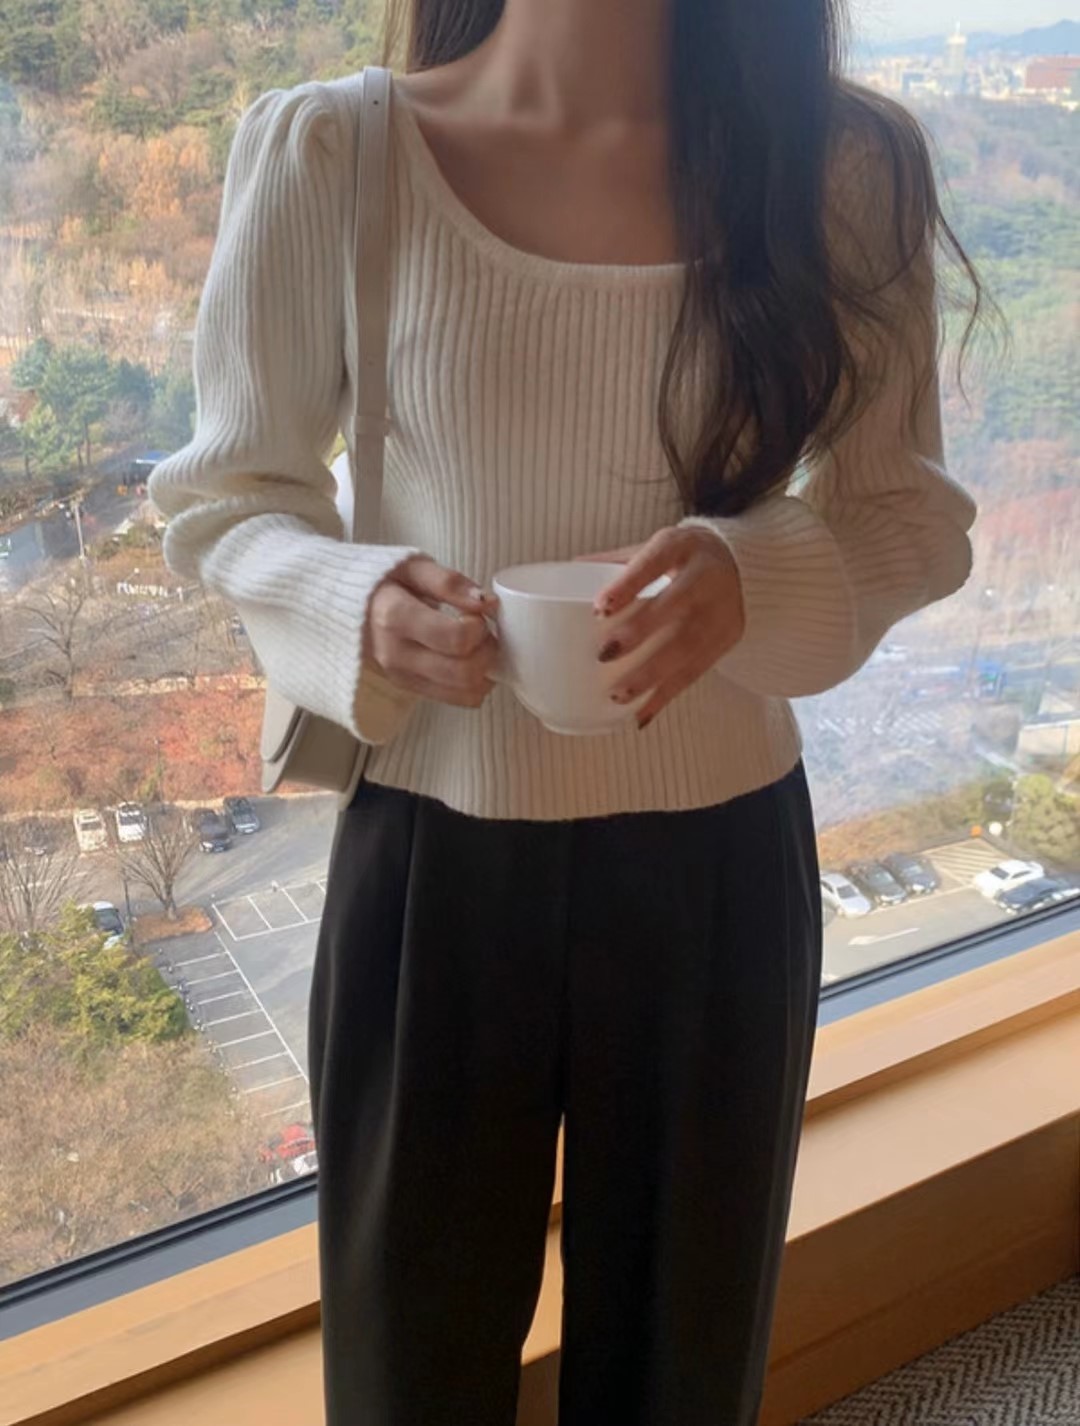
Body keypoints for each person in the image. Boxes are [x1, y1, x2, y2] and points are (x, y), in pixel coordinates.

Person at [148, 1, 983, 1421]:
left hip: (721, 859)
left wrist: (749, 574)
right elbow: (226, 501)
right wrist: (358, 600)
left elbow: (910, 517)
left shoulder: (844, 167)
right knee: (408, 1369)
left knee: (682, 1368)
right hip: (432, 856)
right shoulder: (336, 154)